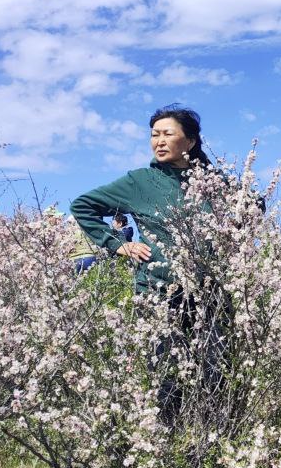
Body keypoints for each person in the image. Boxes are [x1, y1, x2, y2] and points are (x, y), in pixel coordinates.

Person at [69, 104, 218, 422]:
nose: (159, 141)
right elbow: (83, 205)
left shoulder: (213, 183)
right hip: (158, 291)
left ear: (190, 142)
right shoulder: (140, 182)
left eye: (168, 134)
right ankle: (169, 454)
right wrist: (118, 245)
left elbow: (247, 211)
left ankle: (213, 449)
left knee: (215, 374)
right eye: (155, 135)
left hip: (210, 294)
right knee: (166, 377)